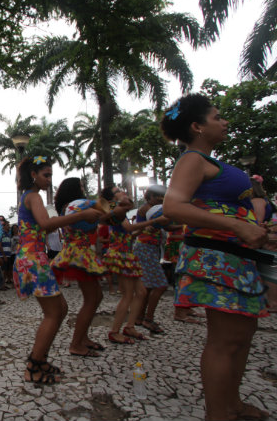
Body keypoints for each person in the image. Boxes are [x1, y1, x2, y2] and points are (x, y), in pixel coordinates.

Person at [162, 94, 269, 421]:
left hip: (235, 258)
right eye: (217, 117)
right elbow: (173, 207)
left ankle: (232, 404)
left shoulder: (208, 162)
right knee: (224, 340)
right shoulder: (192, 160)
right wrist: (237, 225)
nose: (225, 122)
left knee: (242, 334)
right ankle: (218, 413)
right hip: (217, 260)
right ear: (197, 126)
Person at [13, 157, 102, 384]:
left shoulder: (32, 196)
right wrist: (81, 215)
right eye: (46, 175)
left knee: (61, 308)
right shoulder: (33, 196)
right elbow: (45, 224)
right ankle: (33, 366)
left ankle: (40, 360)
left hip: (35, 258)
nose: (50, 180)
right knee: (54, 313)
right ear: (33, 174)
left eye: (51, 175)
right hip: (32, 258)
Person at [50, 177, 107, 357]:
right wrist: (111, 200)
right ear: (75, 189)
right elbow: (105, 210)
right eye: (81, 186)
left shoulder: (69, 207)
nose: (83, 188)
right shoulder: (77, 206)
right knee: (92, 299)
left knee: (96, 297)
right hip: (79, 254)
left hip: (80, 253)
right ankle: (76, 343)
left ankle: (83, 338)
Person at [103, 187, 164, 344]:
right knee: (128, 295)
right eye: (117, 190)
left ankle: (129, 326)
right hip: (120, 255)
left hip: (126, 254)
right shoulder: (115, 209)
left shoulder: (118, 209)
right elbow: (129, 228)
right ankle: (114, 331)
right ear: (112, 198)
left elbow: (127, 233)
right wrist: (154, 221)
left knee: (141, 292)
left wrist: (144, 228)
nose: (123, 191)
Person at [133, 185, 170, 334]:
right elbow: (166, 223)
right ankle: (148, 318)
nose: (160, 200)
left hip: (150, 248)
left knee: (148, 286)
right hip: (145, 248)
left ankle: (140, 317)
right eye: (158, 197)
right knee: (161, 285)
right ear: (149, 197)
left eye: (162, 197)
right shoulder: (148, 209)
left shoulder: (155, 209)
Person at [250, 175, 277, 312]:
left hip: (263, 238)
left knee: (268, 269)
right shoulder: (263, 200)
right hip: (267, 237)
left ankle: (272, 302)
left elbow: (257, 222)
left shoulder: (257, 201)